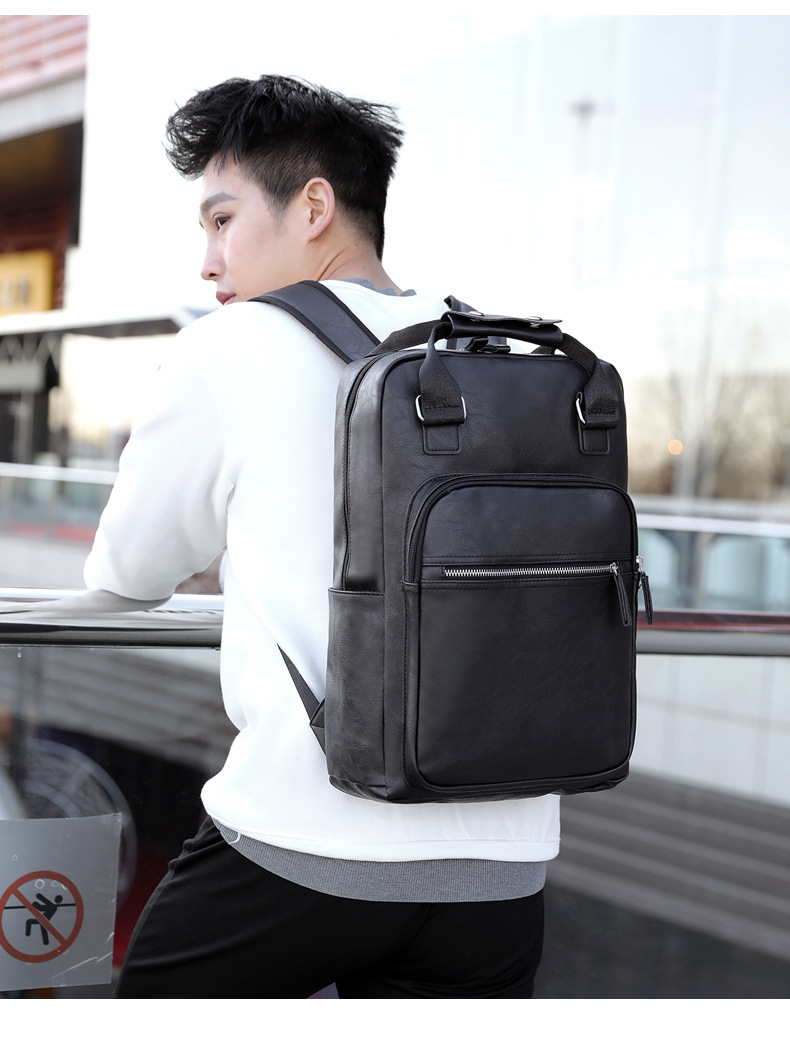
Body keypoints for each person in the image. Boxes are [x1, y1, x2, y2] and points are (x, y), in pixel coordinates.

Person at [61, 76, 561, 997]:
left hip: (306, 842)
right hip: (503, 862)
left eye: (222, 220)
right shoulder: (493, 352)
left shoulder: (231, 345)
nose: (208, 261)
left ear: (315, 206)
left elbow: (130, 569)